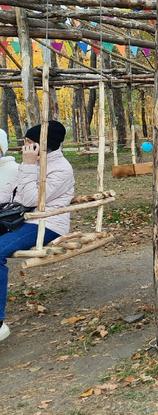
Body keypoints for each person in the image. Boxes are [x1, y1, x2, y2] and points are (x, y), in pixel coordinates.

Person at [0, 121, 74, 342]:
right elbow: (18, 197)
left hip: (47, 223)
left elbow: (33, 200)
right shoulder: (36, 162)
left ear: (43, 145)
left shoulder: (61, 169)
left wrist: (29, 165)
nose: (25, 147)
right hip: (24, 219)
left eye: (29, 143)